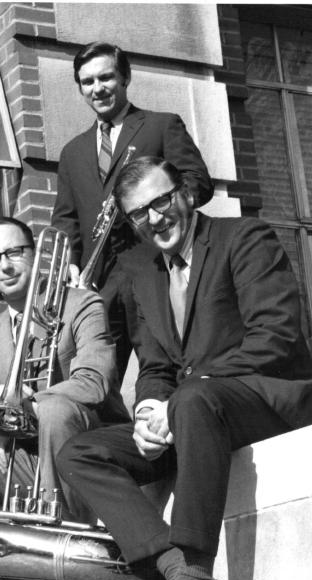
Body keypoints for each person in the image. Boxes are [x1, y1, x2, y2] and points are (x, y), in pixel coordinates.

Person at [57, 157, 312, 580]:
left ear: (183, 193)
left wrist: (183, 395)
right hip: (192, 415)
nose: (155, 218)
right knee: (80, 451)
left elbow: (277, 335)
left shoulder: (243, 238)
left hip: (265, 403)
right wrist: (147, 410)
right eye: (140, 213)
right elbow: (157, 365)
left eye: (161, 201)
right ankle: (176, 572)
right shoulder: (142, 270)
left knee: (192, 400)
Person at [0, 218, 131, 553]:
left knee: (55, 409)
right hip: (21, 463)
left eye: (14, 252)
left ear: (35, 254)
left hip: (81, 456)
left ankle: (67, 543)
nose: (4, 265)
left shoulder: (81, 304)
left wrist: (21, 409)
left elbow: (94, 383)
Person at [51, 41, 213, 381]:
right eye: (88, 81)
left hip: (156, 269)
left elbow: (197, 181)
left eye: (106, 77)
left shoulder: (161, 125)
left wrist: (155, 211)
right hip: (101, 284)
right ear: (80, 87)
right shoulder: (72, 152)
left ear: (125, 78)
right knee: (96, 382)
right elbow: (66, 219)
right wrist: (68, 261)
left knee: (167, 369)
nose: (98, 88)